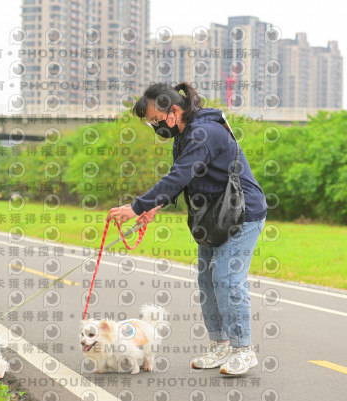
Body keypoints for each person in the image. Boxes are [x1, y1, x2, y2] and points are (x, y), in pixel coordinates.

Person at [107, 82, 268, 375]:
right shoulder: (184, 134)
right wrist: (155, 206)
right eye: (151, 123)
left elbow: (179, 175)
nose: (155, 126)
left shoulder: (204, 132)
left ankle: (243, 350)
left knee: (227, 279)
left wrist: (138, 206)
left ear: (174, 111)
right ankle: (220, 346)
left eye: (156, 119)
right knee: (207, 280)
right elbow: (185, 178)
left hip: (241, 212)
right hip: (212, 216)